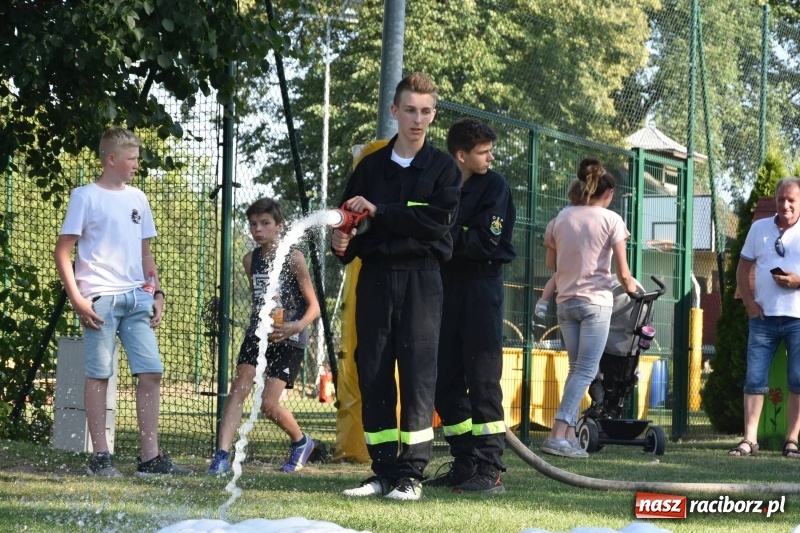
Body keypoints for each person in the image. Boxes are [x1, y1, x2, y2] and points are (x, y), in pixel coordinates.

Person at [332, 72, 461, 501]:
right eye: (409, 110)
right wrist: (341, 242)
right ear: (395, 111)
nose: (417, 120)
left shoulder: (444, 168)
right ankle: (383, 471)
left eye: (425, 112)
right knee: (373, 371)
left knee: (418, 375)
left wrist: (382, 211)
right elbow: (349, 223)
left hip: (423, 279)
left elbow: (436, 224)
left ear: (433, 114)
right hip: (375, 278)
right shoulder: (369, 168)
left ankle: (411, 475)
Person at [54, 127, 192, 477]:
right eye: (131, 158)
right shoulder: (85, 196)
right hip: (99, 300)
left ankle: (150, 458)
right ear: (111, 159)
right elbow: (63, 251)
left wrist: (157, 292)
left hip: (137, 299)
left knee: (152, 372)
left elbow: (146, 254)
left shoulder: (138, 198)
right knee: (99, 374)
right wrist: (78, 299)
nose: (136, 164)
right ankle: (100, 457)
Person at [424, 118, 515, 495]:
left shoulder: (494, 186)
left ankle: (490, 467)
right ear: (461, 155)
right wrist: (445, 233)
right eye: (483, 152)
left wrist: (440, 233)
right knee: (444, 381)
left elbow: (484, 242)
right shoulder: (440, 184)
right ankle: (466, 460)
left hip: (481, 287)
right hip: (445, 288)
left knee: (482, 380)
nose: (490, 158)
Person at [208, 197, 321, 474]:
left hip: (290, 336)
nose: (258, 229)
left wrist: (294, 327)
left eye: (265, 223)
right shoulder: (250, 260)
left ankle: (301, 441)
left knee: (268, 404)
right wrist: (262, 325)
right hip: (258, 332)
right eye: (253, 224)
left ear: (279, 226)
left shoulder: (294, 257)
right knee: (239, 388)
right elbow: (259, 299)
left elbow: (314, 307)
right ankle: (221, 455)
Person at [540, 158, 637, 458]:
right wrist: (633, 291)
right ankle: (557, 434)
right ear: (608, 193)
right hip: (595, 304)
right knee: (586, 370)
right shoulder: (611, 220)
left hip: (566, 302)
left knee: (576, 369)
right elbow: (623, 274)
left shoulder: (561, 218)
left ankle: (568, 436)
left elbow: (552, 264)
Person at [730, 177, 800, 458]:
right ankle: (749, 440)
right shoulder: (759, 228)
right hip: (763, 318)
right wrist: (749, 304)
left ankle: (792, 440)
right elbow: (742, 269)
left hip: (798, 318)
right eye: (781, 199)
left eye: (792, 200)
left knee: (798, 379)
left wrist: (797, 281)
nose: (786, 205)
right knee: (754, 378)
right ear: (775, 200)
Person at [535, 179, 583, 320]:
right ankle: (543, 301)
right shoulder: (581, 213)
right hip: (571, 251)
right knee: (558, 275)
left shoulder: (565, 212)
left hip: (565, 251)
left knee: (557, 275)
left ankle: (543, 301)